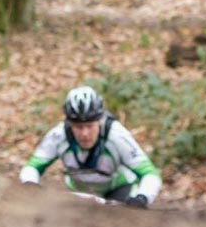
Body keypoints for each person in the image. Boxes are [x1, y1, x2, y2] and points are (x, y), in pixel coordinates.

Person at [19, 86, 162, 208]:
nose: (85, 133)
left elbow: (150, 174)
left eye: (90, 126)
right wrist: (30, 184)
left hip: (118, 191)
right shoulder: (58, 135)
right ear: (70, 123)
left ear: (99, 121)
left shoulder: (117, 135)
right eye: (78, 127)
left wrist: (142, 198)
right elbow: (32, 167)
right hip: (78, 194)